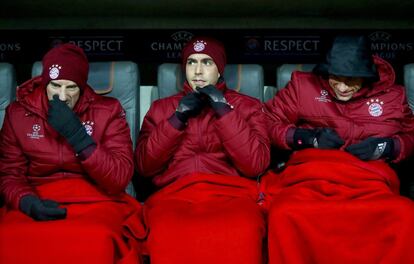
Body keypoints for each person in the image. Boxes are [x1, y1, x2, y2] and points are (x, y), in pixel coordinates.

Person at [263, 35, 414, 264]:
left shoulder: (393, 96)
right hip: (311, 178)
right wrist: (306, 138)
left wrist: (388, 147)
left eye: (352, 80)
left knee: (405, 213)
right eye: (336, 78)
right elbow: (268, 122)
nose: (342, 87)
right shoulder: (303, 86)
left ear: (368, 76)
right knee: (284, 213)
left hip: (368, 181)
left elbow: (410, 136)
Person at [0, 43, 145, 264]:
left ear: (83, 86)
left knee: (96, 241)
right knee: (9, 240)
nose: (62, 95)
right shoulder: (18, 113)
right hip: (39, 196)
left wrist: (77, 135)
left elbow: (119, 177)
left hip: (96, 198)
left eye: (71, 88)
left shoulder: (108, 110)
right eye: (55, 86)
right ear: (45, 83)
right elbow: (10, 174)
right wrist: (26, 201)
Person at [135, 36, 270, 264]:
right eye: (191, 62)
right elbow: (145, 166)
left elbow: (255, 164)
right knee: (166, 228)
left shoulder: (248, 106)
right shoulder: (162, 108)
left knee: (244, 227)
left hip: (232, 193)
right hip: (174, 194)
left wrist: (224, 111)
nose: (197, 70)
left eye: (207, 62)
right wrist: (177, 119)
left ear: (219, 70)